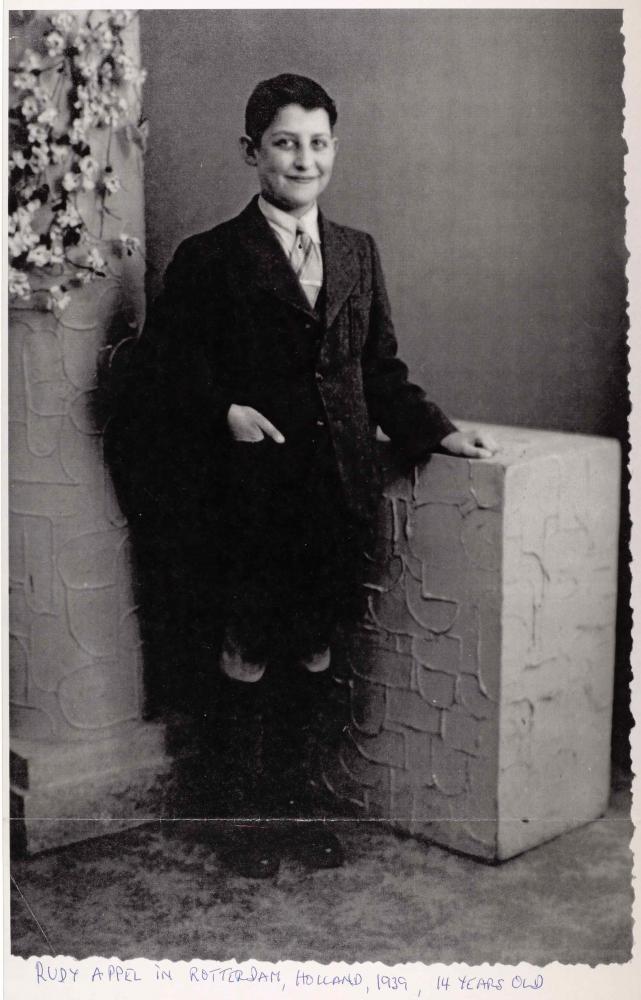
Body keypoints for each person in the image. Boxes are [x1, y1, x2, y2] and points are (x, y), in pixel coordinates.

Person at [107, 73, 497, 879]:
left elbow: (378, 370)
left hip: (333, 498)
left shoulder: (356, 250)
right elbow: (163, 372)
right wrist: (225, 413)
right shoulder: (211, 257)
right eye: (285, 142)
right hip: (248, 498)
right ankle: (242, 824)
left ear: (334, 150)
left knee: (314, 652)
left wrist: (438, 432)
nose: (303, 158)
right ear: (252, 152)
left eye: (318, 142)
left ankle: (294, 815)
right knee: (248, 648)